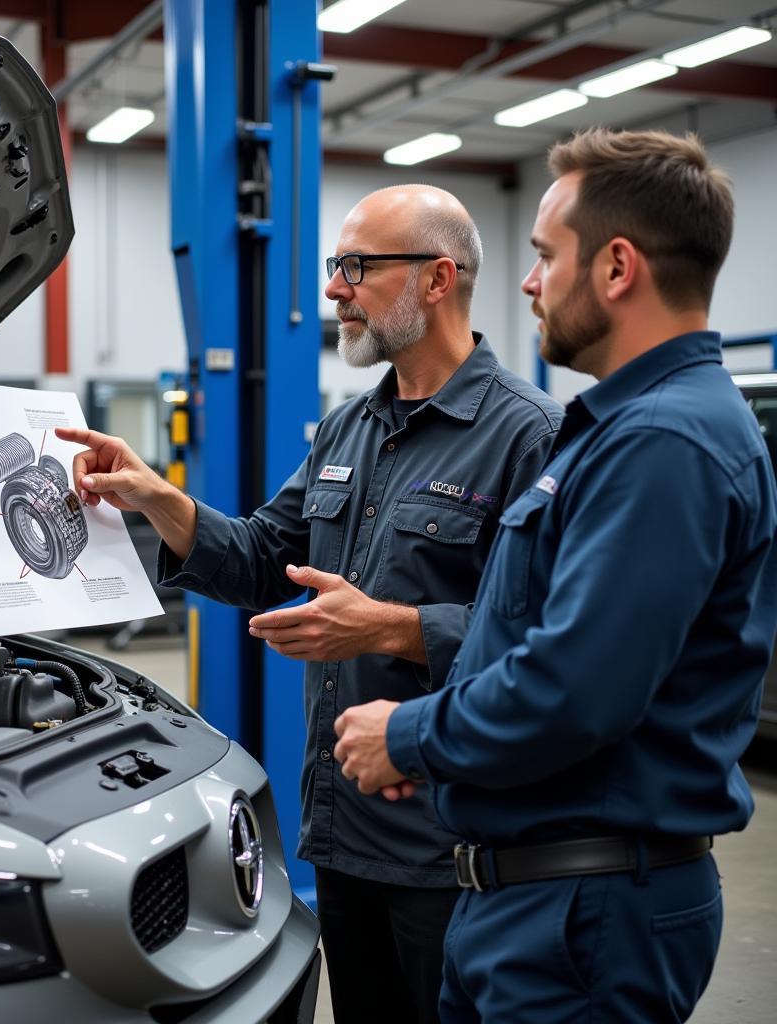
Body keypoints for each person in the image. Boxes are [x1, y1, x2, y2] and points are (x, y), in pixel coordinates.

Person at [56, 184, 562, 1024]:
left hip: (454, 853)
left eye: (357, 267)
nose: (334, 289)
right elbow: (264, 557)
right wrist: (159, 498)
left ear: (438, 280)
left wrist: (393, 629)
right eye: (337, 266)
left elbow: (550, 643)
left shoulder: (529, 436)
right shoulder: (347, 429)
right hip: (341, 835)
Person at [333, 129, 777, 1023]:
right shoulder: (620, 428)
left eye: (543, 257)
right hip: (535, 899)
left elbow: (576, 686)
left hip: (582, 917)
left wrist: (412, 734)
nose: (530, 283)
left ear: (617, 269)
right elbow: (531, 641)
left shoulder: (662, 442)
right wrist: (459, 758)